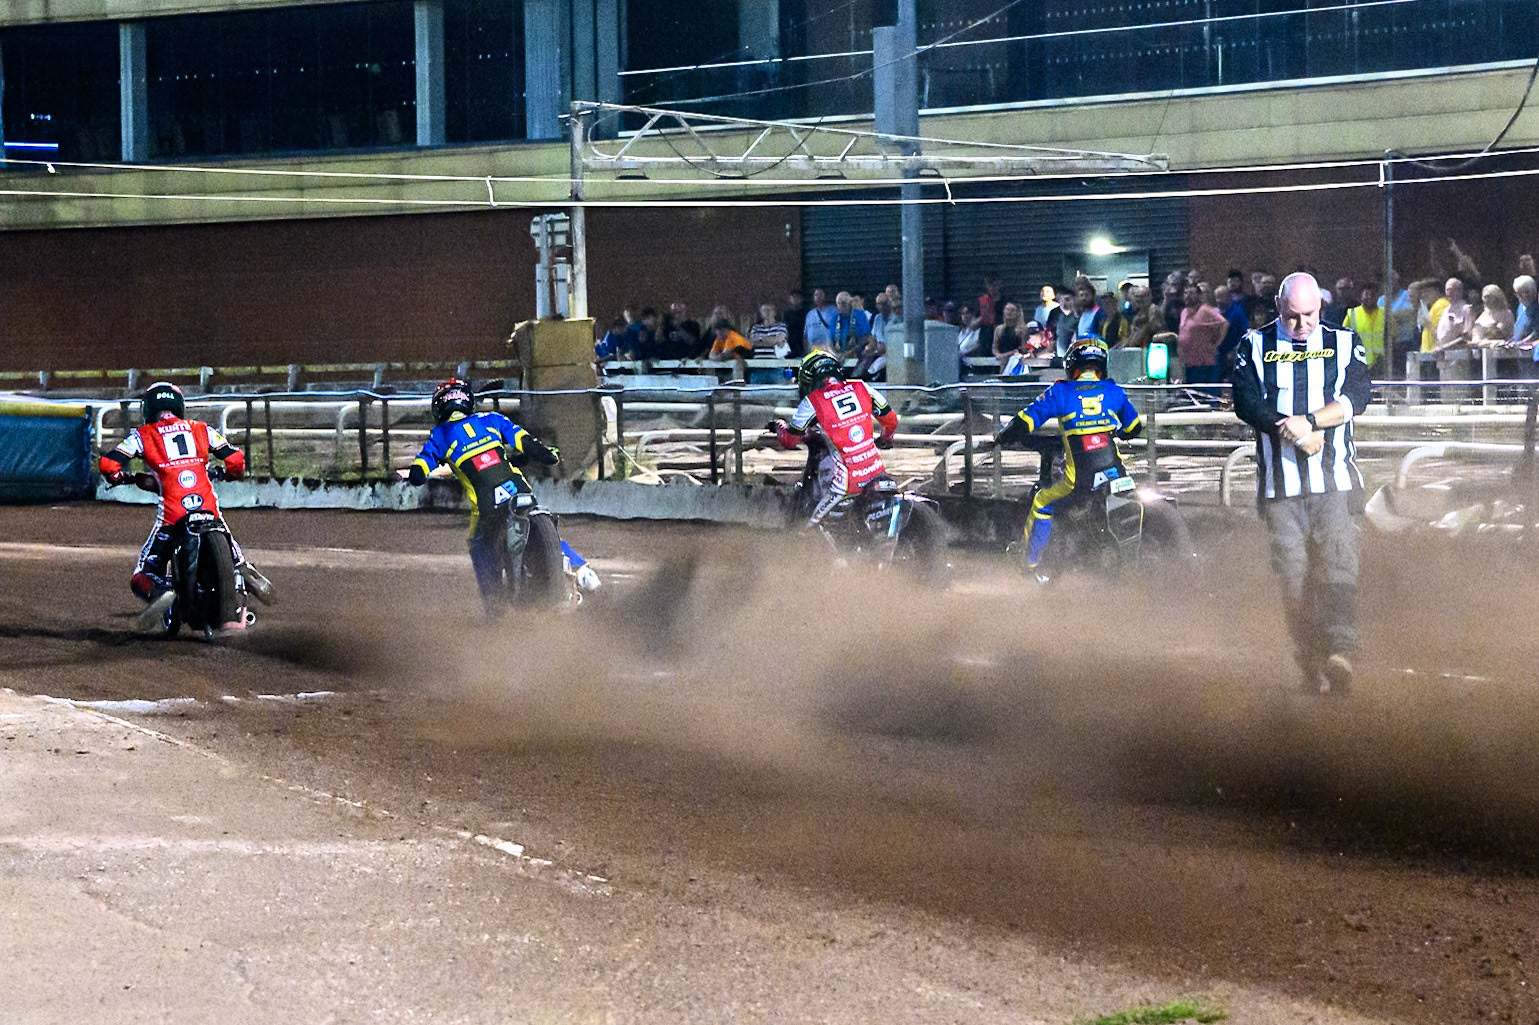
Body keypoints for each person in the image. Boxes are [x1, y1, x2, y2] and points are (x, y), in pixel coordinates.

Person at [1231, 273, 1372, 695]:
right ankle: (1309, 657)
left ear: (1320, 308)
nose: (1300, 325)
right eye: (1292, 316)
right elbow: (1246, 402)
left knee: (1337, 563)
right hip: (1280, 489)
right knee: (1293, 577)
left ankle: (1341, 650)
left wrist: (1309, 422)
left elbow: (1357, 397)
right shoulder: (1253, 345)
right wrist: (1288, 428)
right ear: (1278, 307)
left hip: (1334, 481)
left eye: (1308, 315)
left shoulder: (1344, 342)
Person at [98, 381, 273, 633]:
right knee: (236, 556)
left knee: (141, 575)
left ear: (148, 409)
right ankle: (245, 574)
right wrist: (231, 475)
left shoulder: (143, 435)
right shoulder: (202, 429)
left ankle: (159, 591)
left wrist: (120, 479)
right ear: (179, 406)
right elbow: (235, 460)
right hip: (210, 512)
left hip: (173, 517)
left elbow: (108, 465)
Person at [408, 379, 585, 616]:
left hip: (486, 506)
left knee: (478, 545)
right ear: (467, 400)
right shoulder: (493, 419)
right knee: (543, 525)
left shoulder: (440, 435)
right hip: (521, 492)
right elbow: (529, 444)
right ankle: (583, 571)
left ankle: (495, 608)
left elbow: (419, 471)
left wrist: (418, 472)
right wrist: (549, 456)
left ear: (439, 408)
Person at [994, 337, 1143, 582]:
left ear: (1072, 365)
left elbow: (1026, 420)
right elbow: (1135, 427)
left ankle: (1028, 563)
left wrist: (1002, 438)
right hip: (1116, 473)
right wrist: (1118, 433)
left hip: (1080, 480)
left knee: (1043, 501)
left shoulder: (1061, 391)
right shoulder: (1113, 390)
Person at [770, 351, 899, 525]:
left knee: (809, 528)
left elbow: (789, 441)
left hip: (846, 484)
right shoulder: (862, 387)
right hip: (877, 473)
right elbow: (891, 420)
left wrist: (779, 426)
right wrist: (885, 439)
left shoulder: (812, 401)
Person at [1177, 280, 1229, 383]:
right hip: (1187, 363)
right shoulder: (1183, 312)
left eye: (1191, 293)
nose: (1188, 296)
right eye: (1185, 293)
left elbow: (1224, 324)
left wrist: (1216, 343)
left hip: (1204, 364)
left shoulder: (1205, 310)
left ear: (1199, 295)